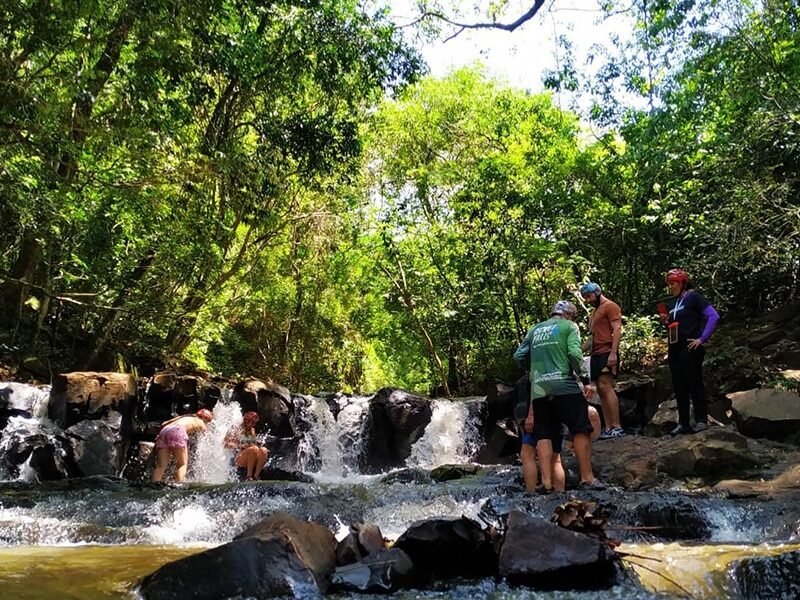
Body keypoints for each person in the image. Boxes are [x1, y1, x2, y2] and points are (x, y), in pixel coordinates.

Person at [514, 300, 604, 490]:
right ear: (569, 315)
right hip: (564, 386)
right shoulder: (569, 327)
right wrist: (587, 380)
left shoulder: (535, 329)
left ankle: (546, 482)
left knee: (544, 433)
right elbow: (574, 353)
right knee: (580, 429)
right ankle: (587, 477)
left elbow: (519, 356)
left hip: (539, 389)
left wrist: (535, 368)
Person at [661, 268, 720, 435]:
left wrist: (702, 339)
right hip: (674, 348)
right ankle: (684, 423)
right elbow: (674, 325)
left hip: (690, 347)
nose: (671, 287)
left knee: (694, 383)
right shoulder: (672, 303)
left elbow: (713, 316)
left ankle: (701, 420)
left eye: (674, 283)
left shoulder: (695, 298)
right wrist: (666, 321)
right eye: (669, 284)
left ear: (682, 283)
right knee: (679, 386)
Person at [580, 282, 625, 439]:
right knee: (599, 388)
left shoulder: (610, 306)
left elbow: (617, 329)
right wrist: (578, 350)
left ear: (597, 292)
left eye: (589, 296)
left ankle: (617, 426)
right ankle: (608, 427)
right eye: (585, 297)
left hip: (607, 351)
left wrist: (613, 353)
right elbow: (592, 336)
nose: (587, 300)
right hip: (596, 353)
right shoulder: (594, 313)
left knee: (606, 386)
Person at [513, 374, 566, 492]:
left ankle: (532, 493)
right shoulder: (559, 370)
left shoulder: (537, 369)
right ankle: (560, 494)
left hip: (539, 414)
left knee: (527, 453)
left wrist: (530, 415)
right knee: (556, 457)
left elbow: (536, 392)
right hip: (558, 413)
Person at [152, 409, 213, 482]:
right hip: (178, 431)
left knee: (160, 466)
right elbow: (208, 436)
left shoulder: (185, 417)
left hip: (164, 431)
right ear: (206, 418)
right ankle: (179, 485)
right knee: (182, 464)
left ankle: (154, 483)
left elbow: (164, 424)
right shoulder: (201, 422)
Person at [224, 411, 269, 481]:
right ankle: (249, 476)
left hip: (250, 454)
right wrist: (240, 446)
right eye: (250, 422)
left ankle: (256, 475)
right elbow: (226, 444)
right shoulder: (236, 428)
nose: (252, 425)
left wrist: (258, 444)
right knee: (253, 449)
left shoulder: (252, 430)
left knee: (264, 450)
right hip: (237, 457)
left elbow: (253, 444)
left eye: (254, 423)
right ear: (246, 420)